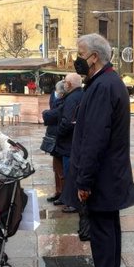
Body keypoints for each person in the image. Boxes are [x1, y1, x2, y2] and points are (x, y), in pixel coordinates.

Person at [62, 33, 134, 267]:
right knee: (109, 226)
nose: (77, 59)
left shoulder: (102, 86)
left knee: (102, 230)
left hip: (102, 174)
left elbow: (94, 138)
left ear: (94, 57)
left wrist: (84, 181)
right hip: (111, 171)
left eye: (80, 53)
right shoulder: (107, 82)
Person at [55, 73, 83, 213]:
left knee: (69, 173)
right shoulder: (80, 95)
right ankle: (67, 198)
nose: (64, 84)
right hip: (75, 142)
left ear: (70, 84)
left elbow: (67, 122)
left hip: (69, 143)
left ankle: (72, 202)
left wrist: (58, 132)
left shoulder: (72, 98)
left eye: (65, 82)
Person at [43, 80, 66, 204]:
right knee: (56, 168)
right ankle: (58, 192)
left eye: (57, 92)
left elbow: (51, 115)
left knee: (61, 170)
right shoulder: (55, 97)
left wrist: (46, 113)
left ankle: (62, 194)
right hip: (54, 137)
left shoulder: (65, 100)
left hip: (60, 138)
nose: (55, 94)